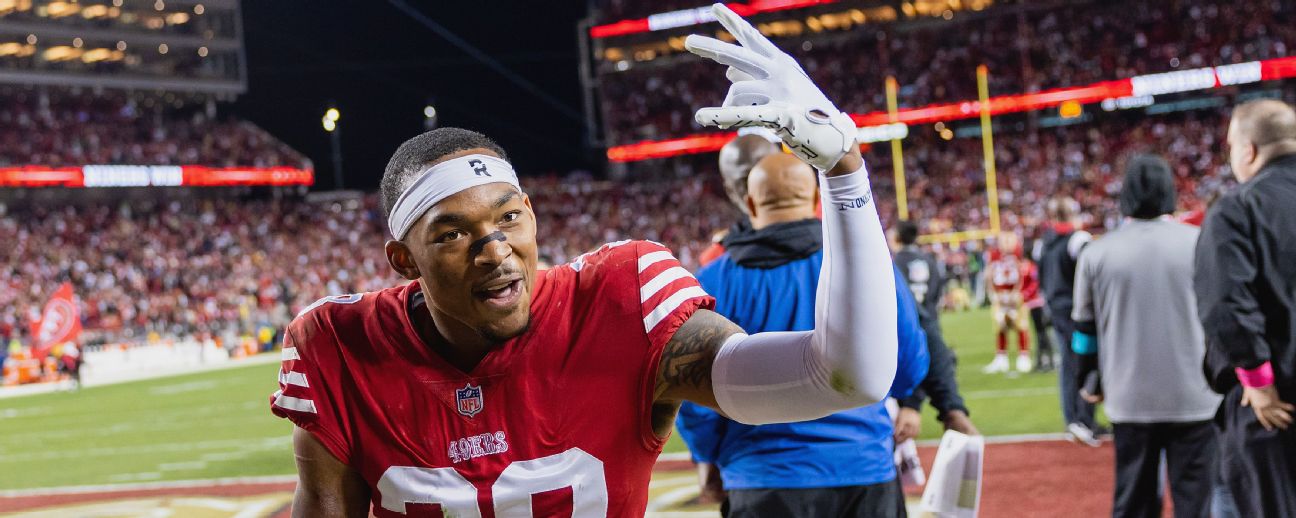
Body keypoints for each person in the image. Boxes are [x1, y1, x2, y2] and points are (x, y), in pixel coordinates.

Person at [271, 6, 899, 517]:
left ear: (532, 213)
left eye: (509, 217)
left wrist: (844, 171)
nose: (495, 250)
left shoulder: (624, 299)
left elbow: (844, 376)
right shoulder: (339, 346)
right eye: (454, 234)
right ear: (404, 259)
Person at [676, 152, 928, 517]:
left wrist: (708, 457)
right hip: (862, 471)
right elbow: (907, 362)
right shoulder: (866, 266)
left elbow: (691, 394)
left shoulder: (710, 283)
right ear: (814, 201)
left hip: (760, 478)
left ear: (750, 203)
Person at [1072, 154, 1222, 518]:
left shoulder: (1097, 252)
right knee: (1197, 503)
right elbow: (1220, 316)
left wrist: (1088, 379)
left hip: (1129, 397)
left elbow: (1084, 332)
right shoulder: (1200, 242)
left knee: (1135, 501)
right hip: (1196, 394)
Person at [1195, 99, 1296, 517]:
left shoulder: (1238, 208)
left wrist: (1257, 379)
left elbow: (1226, 304)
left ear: (1248, 149)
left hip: (1274, 406)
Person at [890, 220, 979, 442]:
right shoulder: (929, 260)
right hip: (927, 320)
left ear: (898, 238)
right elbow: (936, 294)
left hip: (906, 326)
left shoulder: (892, 263)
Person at [1038, 195, 1102, 447]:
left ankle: (1072, 418)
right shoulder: (1078, 240)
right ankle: (1084, 419)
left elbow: (1041, 276)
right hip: (1078, 310)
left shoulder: (1044, 243)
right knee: (1087, 360)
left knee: (1067, 363)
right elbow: (1090, 275)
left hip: (1056, 307)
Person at [983, 233, 1032, 374]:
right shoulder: (994, 255)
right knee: (1000, 327)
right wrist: (992, 293)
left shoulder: (1019, 254)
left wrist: (1019, 292)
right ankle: (1001, 358)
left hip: (1015, 297)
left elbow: (1025, 274)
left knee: (1021, 325)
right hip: (1000, 296)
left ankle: (1023, 356)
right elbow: (989, 274)